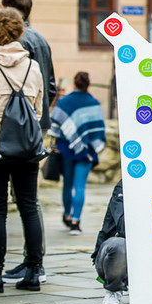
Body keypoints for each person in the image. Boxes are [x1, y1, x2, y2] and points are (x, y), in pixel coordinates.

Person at [0, 9, 45, 293]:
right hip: (27, 147)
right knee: (28, 207)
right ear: (19, 32)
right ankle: (33, 274)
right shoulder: (32, 67)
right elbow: (37, 109)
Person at [0, 0, 56, 285]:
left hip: (19, 126)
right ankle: (33, 261)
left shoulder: (19, 40)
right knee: (28, 197)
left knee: (25, 199)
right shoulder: (42, 40)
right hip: (38, 124)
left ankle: (34, 262)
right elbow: (52, 86)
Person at [93, 181, 152, 304]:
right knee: (119, 245)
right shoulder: (125, 186)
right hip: (118, 253)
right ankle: (113, 291)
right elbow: (124, 227)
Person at [50, 71, 106, 235]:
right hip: (86, 151)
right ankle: (76, 221)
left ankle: (67, 216)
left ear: (74, 84)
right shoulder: (94, 103)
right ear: (88, 84)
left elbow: (55, 127)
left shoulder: (64, 102)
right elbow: (98, 130)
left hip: (66, 149)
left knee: (67, 184)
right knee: (80, 186)